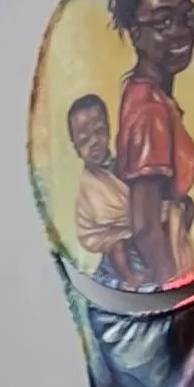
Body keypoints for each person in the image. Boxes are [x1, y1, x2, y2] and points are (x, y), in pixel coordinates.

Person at [108, 0, 194, 290]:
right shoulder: (150, 109)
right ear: (136, 34)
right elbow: (146, 229)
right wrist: (177, 294)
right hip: (153, 273)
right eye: (163, 21)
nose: (180, 31)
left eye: (187, 16)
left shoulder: (149, 95)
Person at [68, 92, 142, 286]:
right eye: (84, 140)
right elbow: (102, 213)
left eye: (99, 132)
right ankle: (130, 279)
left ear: (109, 130)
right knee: (117, 247)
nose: (94, 143)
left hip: (135, 234)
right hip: (105, 233)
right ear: (76, 148)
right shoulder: (89, 183)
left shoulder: (122, 164)